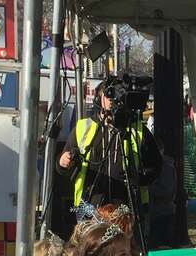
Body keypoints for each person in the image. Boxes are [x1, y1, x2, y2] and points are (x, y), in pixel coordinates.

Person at [56, 75, 162, 209]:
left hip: (127, 210)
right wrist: (63, 162)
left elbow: (156, 167)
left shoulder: (138, 129)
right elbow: (62, 167)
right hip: (90, 208)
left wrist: (138, 178)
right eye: (108, 95)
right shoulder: (83, 127)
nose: (112, 100)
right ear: (99, 98)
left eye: (116, 95)